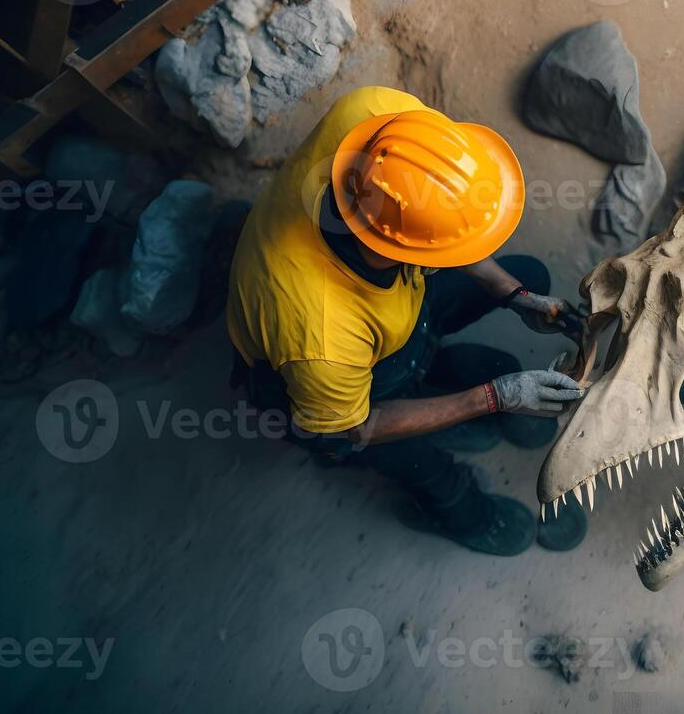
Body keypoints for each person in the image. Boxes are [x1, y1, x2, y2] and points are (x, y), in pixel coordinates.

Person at [226, 85, 586, 556]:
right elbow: (352, 428)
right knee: (427, 466)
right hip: (335, 398)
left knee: (527, 275)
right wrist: (493, 397)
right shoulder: (318, 335)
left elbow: (434, 221)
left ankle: (431, 376)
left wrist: (511, 294)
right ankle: (460, 512)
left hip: (388, 315)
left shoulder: (379, 122)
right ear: (398, 251)